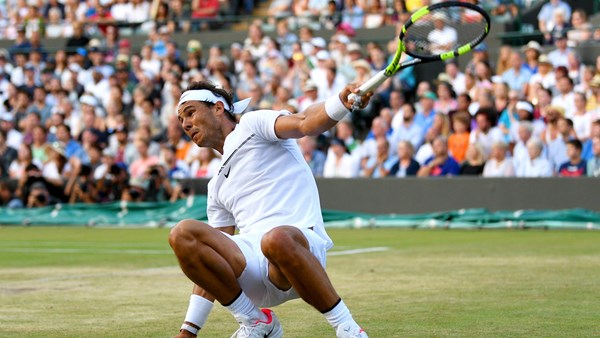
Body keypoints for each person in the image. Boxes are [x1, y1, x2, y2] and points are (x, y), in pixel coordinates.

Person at [170, 81, 370, 338]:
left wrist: (341, 103)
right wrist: (189, 330)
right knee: (183, 233)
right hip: (254, 271)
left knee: (276, 238)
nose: (185, 124)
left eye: (190, 112)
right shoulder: (215, 185)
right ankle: (255, 320)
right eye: (181, 119)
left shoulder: (252, 125)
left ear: (218, 108)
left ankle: (348, 329)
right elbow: (211, 260)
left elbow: (305, 122)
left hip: (299, 247)